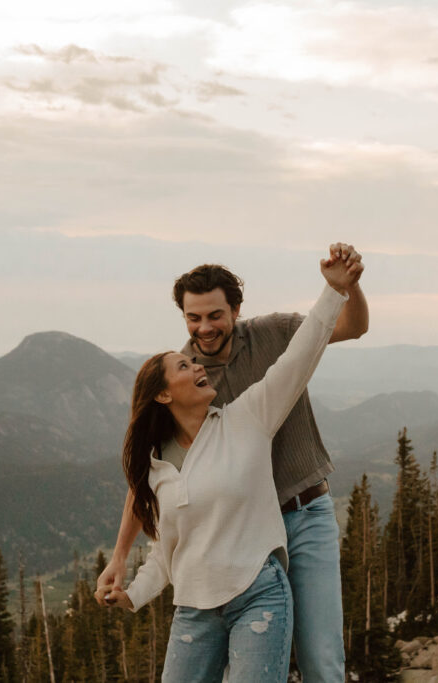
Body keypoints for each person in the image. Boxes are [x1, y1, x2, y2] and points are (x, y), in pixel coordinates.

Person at [97, 244, 367, 681]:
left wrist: (342, 288)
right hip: (235, 534)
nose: (203, 329)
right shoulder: (183, 381)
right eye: (193, 317)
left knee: (320, 659)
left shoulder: (270, 342)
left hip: (302, 513)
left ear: (235, 310)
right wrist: (121, 558)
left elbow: (329, 336)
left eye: (214, 315)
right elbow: (154, 482)